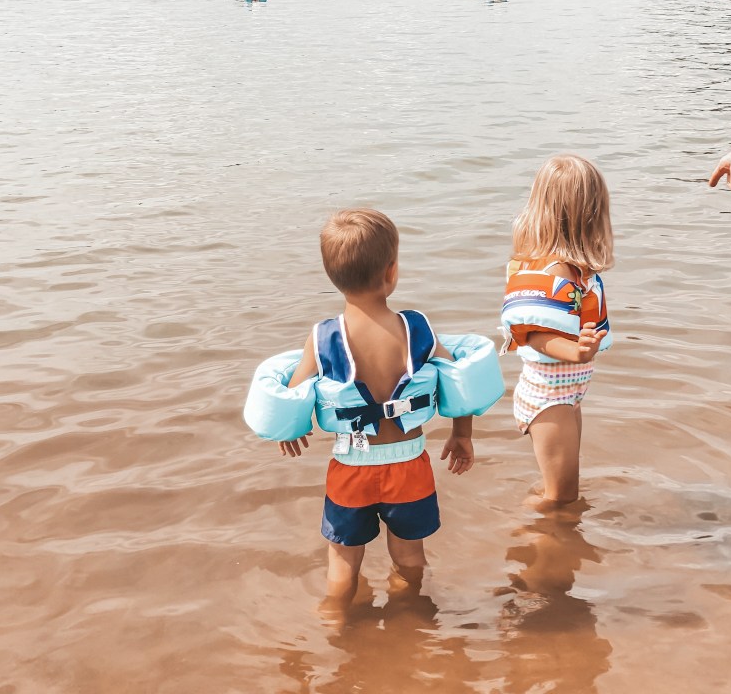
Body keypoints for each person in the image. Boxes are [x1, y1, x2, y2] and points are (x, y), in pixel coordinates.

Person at [244, 209, 503, 607]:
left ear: (332, 277)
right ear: (392, 270)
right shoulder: (417, 328)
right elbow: (458, 379)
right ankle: (410, 617)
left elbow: (294, 394)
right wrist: (461, 435)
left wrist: (289, 431)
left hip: (351, 467)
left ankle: (335, 620)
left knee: (343, 557)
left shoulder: (323, 337)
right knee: (409, 554)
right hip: (409, 466)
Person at [500, 155, 613, 507]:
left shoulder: (578, 270)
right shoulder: (555, 272)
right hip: (549, 396)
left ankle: (558, 548)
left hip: (569, 392)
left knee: (565, 491)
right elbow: (533, 335)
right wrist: (577, 351)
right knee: (560, 498)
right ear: (590, 214)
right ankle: (515, 530)